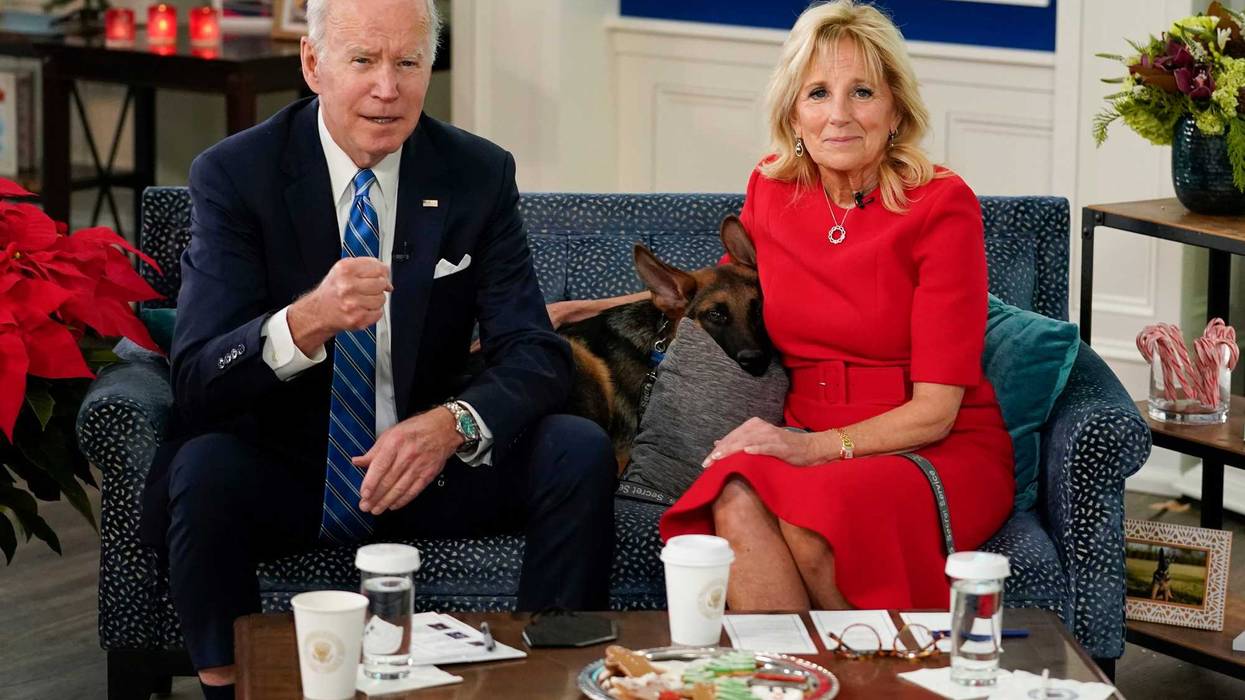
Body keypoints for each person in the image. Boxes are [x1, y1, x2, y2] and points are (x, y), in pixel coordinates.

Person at [150, 0, 616, 696]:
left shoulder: (476, 173)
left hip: (426, 465)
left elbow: (533, 350)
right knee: (203, 469)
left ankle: (549, 678)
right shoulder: (236, 174)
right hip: (289, 469)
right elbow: (197, 376)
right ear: (314, 65)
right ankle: (229, 686)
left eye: (408, 62)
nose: (387, 88)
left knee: (575, 450)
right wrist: (307, 320)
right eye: (363, 60)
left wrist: (454, 424)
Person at [572, 0, 1015, 611]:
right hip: (805, 427)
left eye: (862, 92)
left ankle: (878, 661)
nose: (839, 115)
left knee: (811, 520)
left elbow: (937, 412)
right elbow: (717, 293)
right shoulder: (772, 188)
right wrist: (577, 311)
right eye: (818, 93)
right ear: (793, 113)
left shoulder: (941, 205)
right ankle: (788, 666)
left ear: (896, 109)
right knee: (731, 496)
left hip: (927, 444)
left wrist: (808, 448)